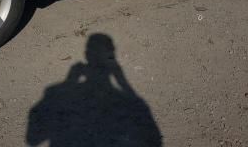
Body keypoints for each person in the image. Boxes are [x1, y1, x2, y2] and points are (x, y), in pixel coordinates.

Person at [27, 33, 162, 146]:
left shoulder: (53, 93)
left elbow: (32, 140)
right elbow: (154, 140)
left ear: (86, 54)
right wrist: (124, 83)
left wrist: (69, 81)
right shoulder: (131, 102)